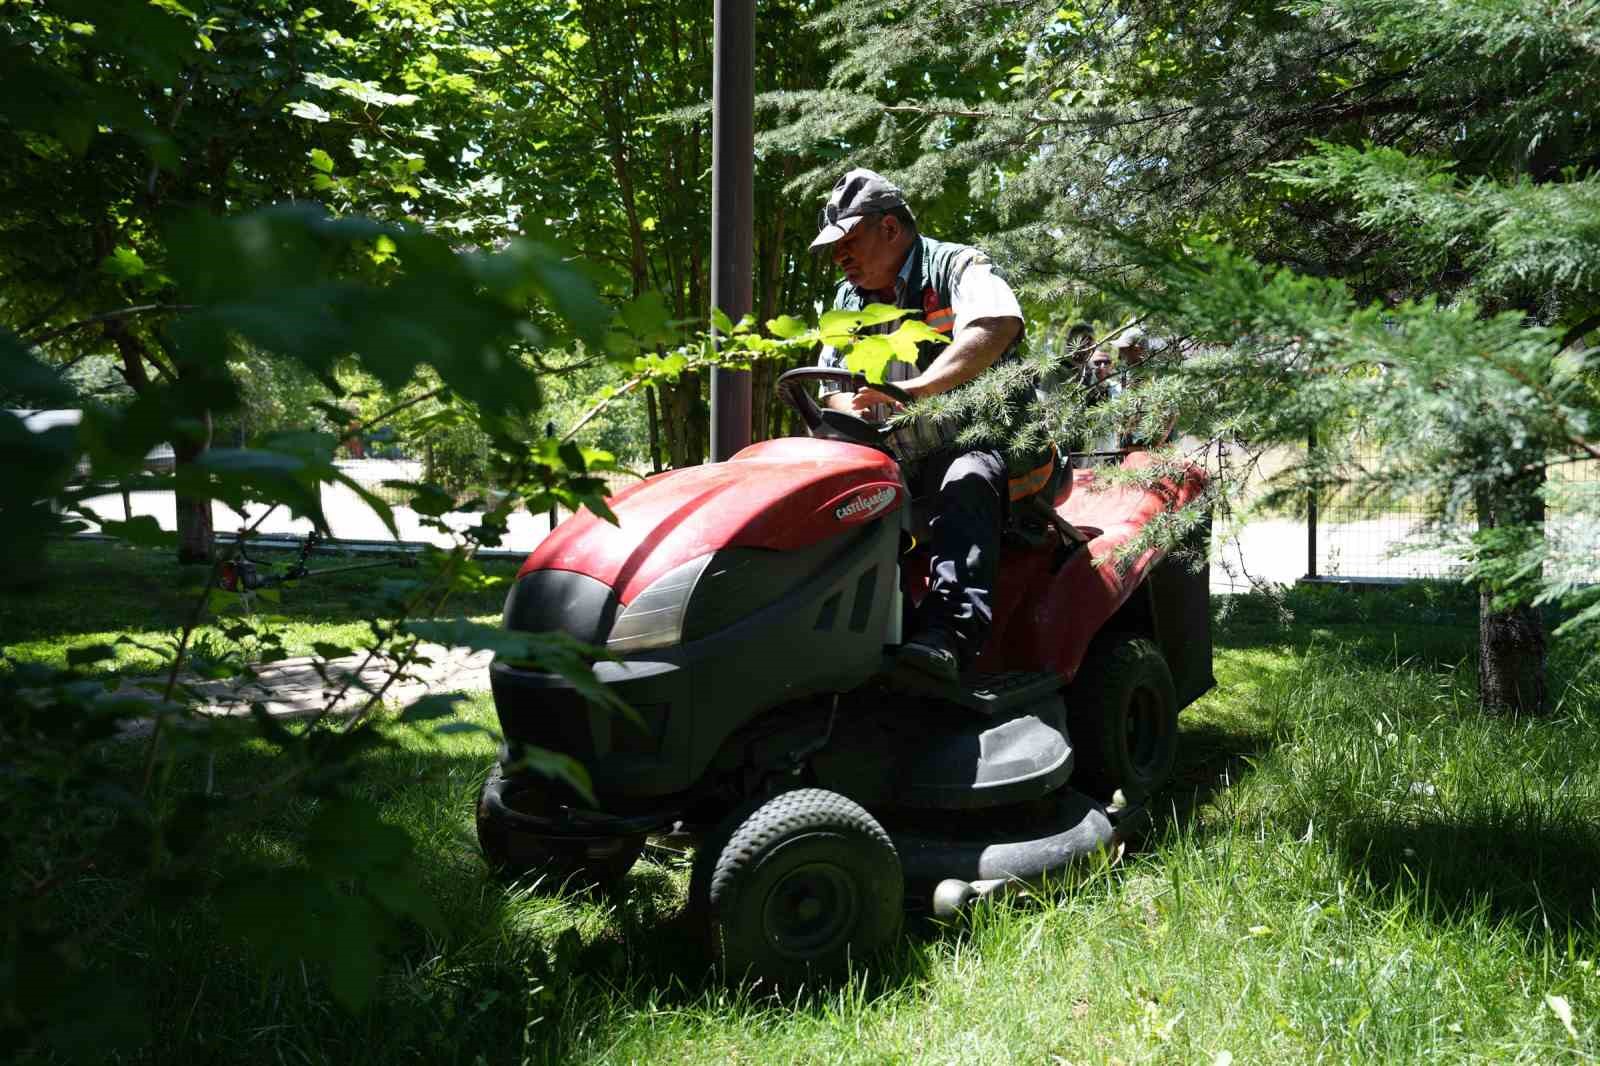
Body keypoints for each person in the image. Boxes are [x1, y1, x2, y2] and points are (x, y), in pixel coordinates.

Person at [809, 167, 1031, 682]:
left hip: (983, 440)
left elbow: (995, 324)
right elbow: (831, 383)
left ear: (889, 228)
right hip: (898, 456)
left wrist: (917, 390)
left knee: (963, 479)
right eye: (834, 247)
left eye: (849, 241)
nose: (839, 257)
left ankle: (949, 635)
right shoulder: (849, 299)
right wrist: (848, 408)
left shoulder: (959, 266)